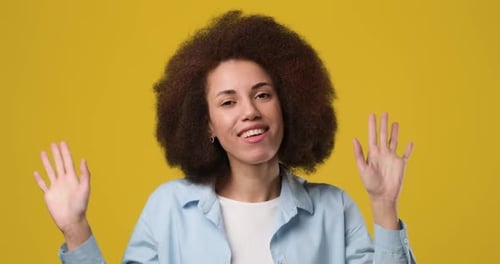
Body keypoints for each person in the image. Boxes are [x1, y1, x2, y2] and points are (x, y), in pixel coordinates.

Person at [33, 10, 416, 264]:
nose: (250, 110)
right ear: (207, 124)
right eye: (228, 102)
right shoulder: (168, 209)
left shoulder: (335, 210)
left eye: (262, 94)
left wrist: (384, 206)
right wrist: (76, 230)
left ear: (288, 105)